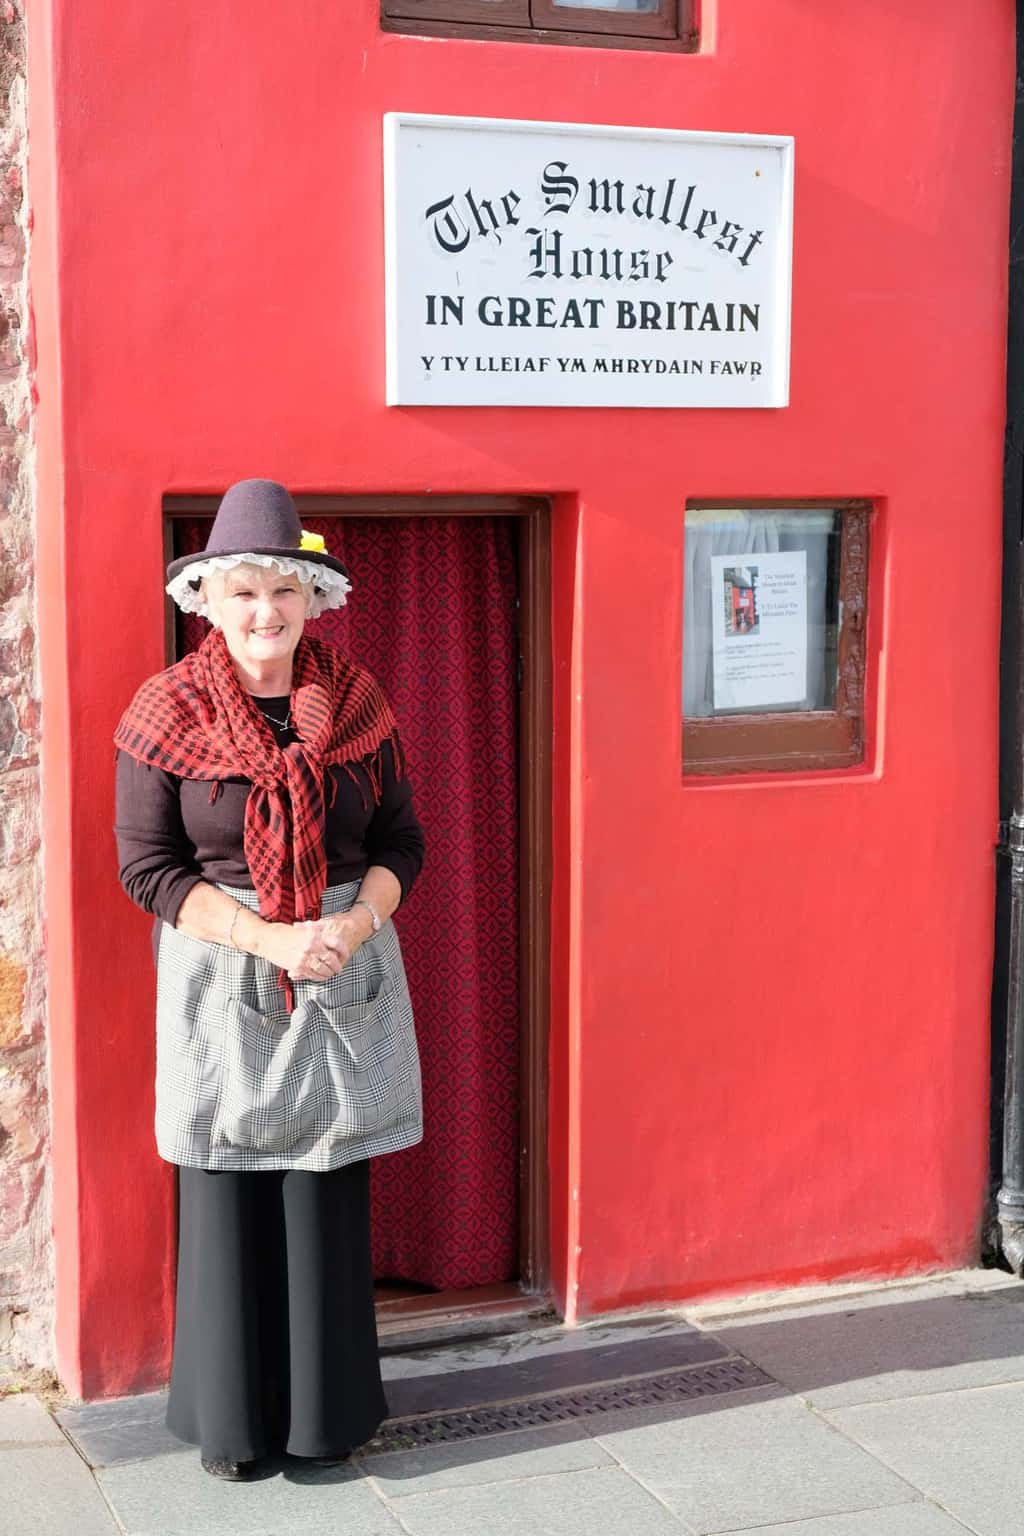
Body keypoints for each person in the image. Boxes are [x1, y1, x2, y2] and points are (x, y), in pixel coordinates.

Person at [113, 479, 425, 1480]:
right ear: (208, 601)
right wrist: (268, 939)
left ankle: (325, 1419)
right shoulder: (164, 712)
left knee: (324, 1183)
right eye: (242, 592)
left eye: (282, 593)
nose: (264, 614)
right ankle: (238, 1429)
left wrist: (353, 922)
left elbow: (400, 843)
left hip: (341, 956)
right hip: (224, 965)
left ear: (312, 600)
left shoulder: (361, 707)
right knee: (227, 1183)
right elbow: (148, 869)